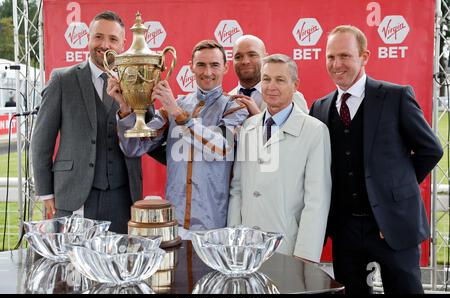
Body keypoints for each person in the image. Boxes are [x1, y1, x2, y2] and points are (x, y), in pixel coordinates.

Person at [309, 25, 443, 294]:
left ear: (365, 56)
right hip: (345, 230)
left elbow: (431, 149)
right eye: (331, 57)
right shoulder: (320, 107)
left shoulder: (395, 96)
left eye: (345, 56)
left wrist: (393, 192)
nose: (337, 64)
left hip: (392, 225)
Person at [110, 40, 248, 236]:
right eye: (201, 65)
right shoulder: (174, 105)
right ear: (191, 67)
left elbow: (223, 148)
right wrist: (125, 108)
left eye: (214, 65)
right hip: (175, 222)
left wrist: (180, 115)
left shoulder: (233, 106)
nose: (207, 72)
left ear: (225, 68)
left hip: (215, 223)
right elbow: (134, 148)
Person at [31, 11, 142, 233]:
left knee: (117, 264)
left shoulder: (136, 80)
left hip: (123, 196)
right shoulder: (63, 79)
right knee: (75, 264)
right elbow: (41, 141)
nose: (104, 44)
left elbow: (147, 135)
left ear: (123, 44)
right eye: (98, 37)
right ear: (88, 39)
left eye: (112, 39)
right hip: (74, 193)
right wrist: (46, 191)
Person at [227, 54, 331, 263]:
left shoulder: (314, 131)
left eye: (280, 80)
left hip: (288, 248)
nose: (271, 86)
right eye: (266, 79)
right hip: (246, 248)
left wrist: (306, 255)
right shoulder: (249, 127)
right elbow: (237, 188)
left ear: (295, 85)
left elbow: (317, 200)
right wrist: (233, 240)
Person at [229, 34, 308, 115]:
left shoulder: (291, 96)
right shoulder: (227, 99)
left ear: (264, 57)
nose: (245, 61)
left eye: (252, 55)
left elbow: (303, 127)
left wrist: (258, 117)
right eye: (238, 57)